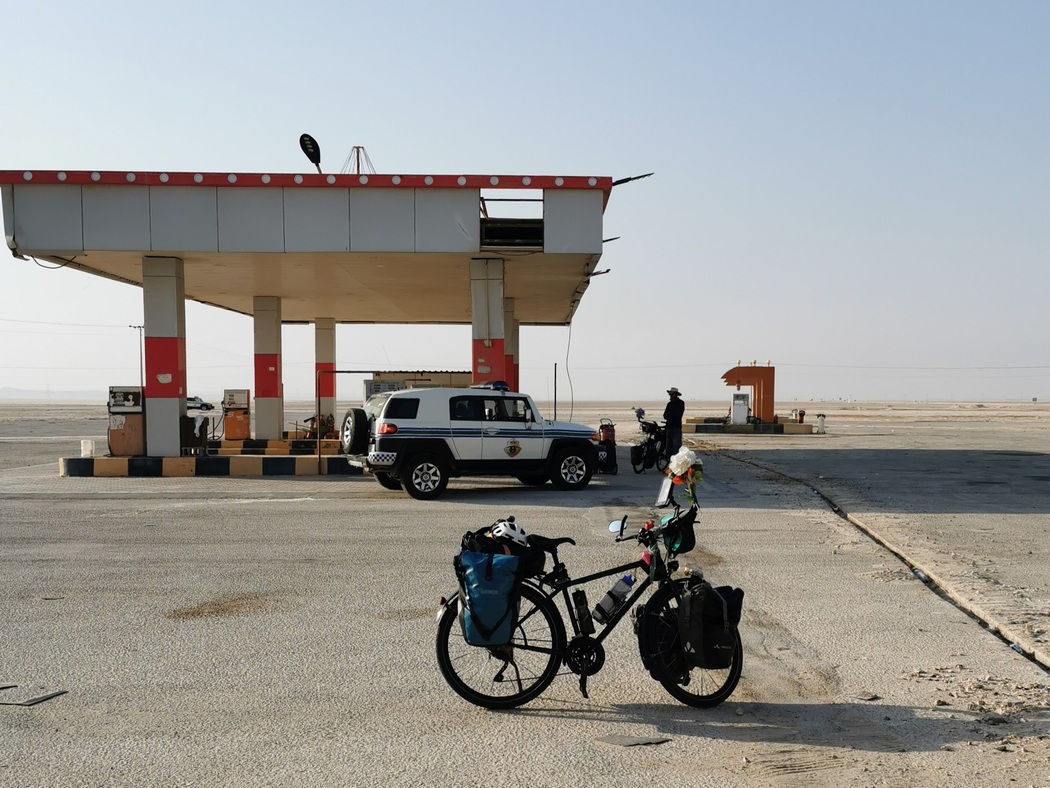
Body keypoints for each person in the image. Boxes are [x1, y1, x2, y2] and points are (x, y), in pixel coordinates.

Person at [663, 387, 685, 458]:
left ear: (675, 395)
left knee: (676, 445)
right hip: (669, 427)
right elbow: (665, 415)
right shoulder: (669, 404)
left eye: (672, 395)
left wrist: (670, 415)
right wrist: (670, 415)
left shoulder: (681, 403)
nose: (670, 396)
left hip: (676, 427)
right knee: (668, 445)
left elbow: (678, 415)